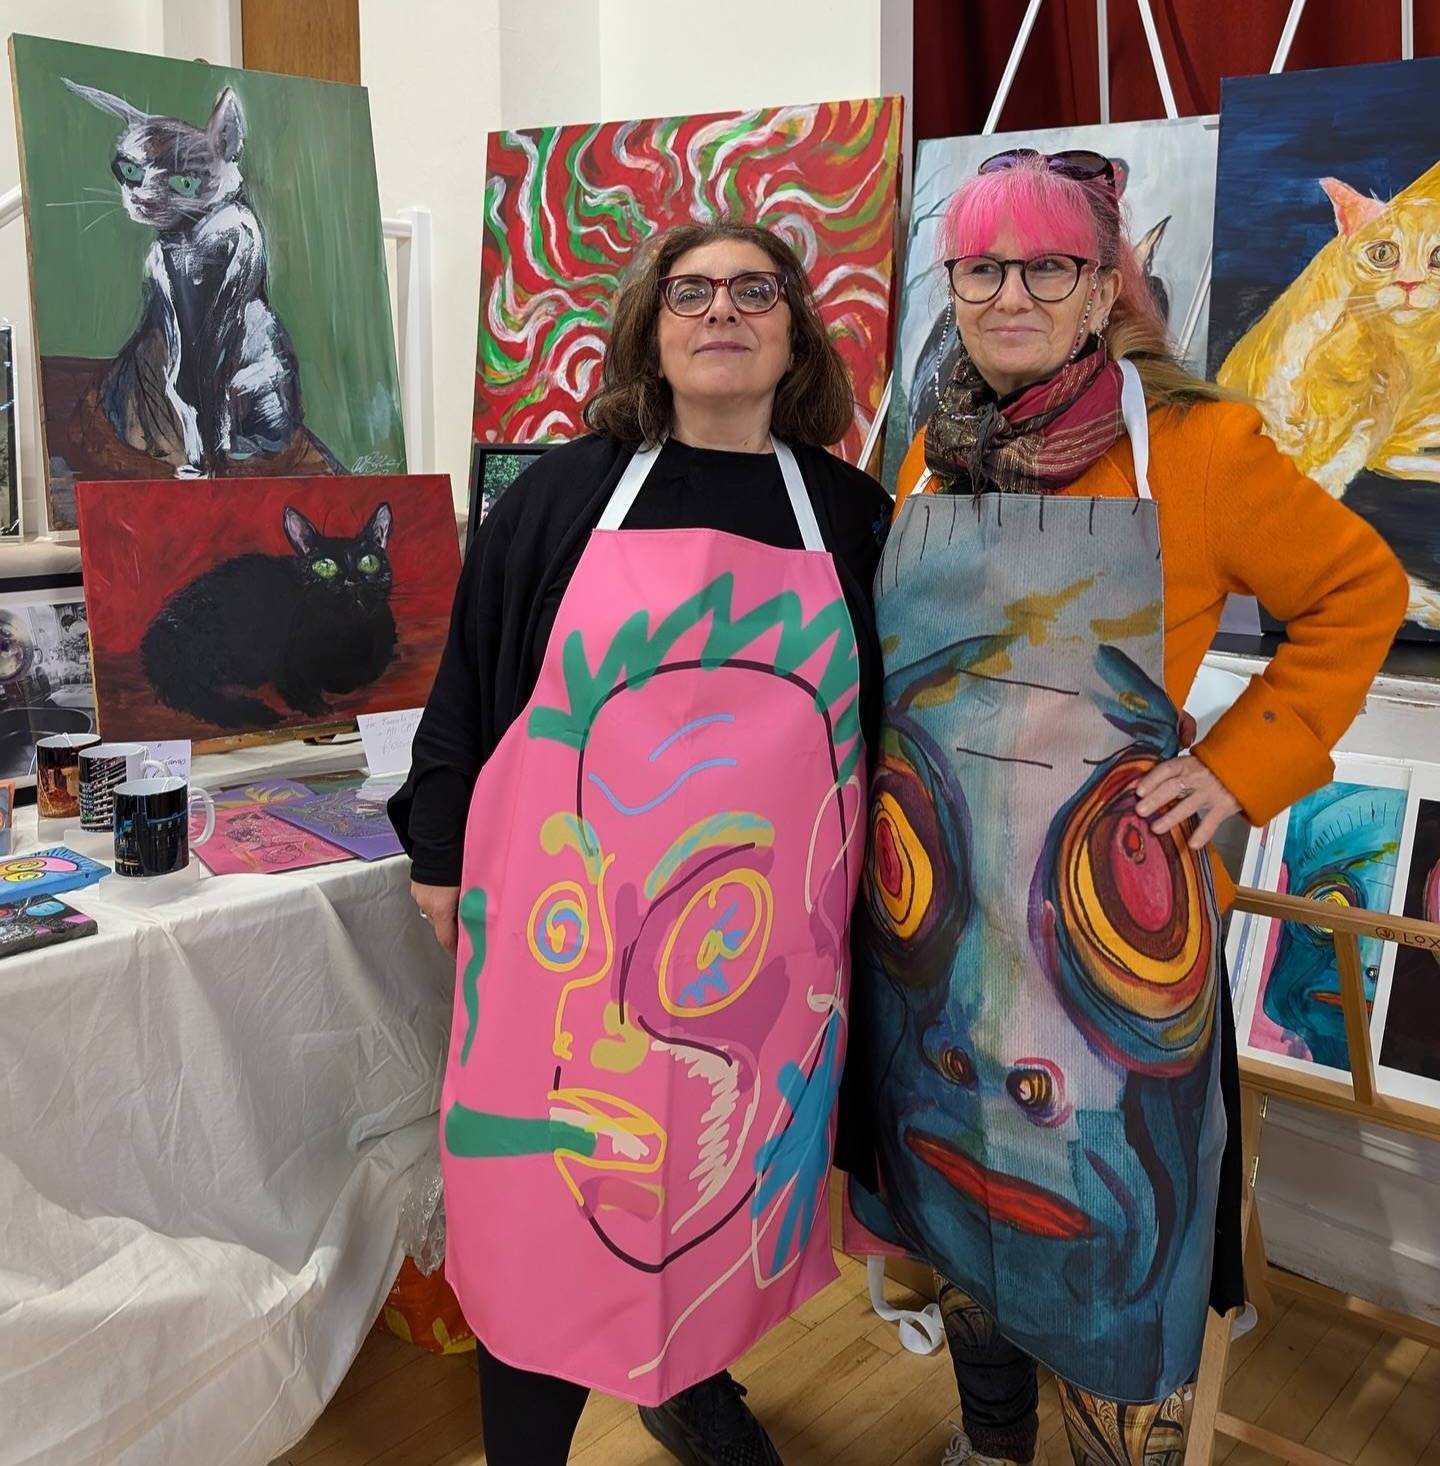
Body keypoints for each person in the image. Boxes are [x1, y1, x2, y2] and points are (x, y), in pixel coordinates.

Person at [843, 149, 1408, 1466]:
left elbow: (1360, 593)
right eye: (984, 267)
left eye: (1050, 267)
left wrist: (1239, 765)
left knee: (1112, 1230)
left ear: (1104, 291)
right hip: (938, 928)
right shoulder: (931, 451)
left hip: (1108, 938)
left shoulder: (1198, 447)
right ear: (952, 284)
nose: (1013, 294)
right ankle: (994, 1442)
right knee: (962, 1202)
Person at [390, 220, 891, 1466]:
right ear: (650, 330)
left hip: (764, 968)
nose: (722, 311)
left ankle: (689, 1382)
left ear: (795, 335)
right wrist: (439, 855)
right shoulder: (564, 494)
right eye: (691, 291)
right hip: (562, 951)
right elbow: (467, 681)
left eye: (754, 290)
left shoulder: (850, 512)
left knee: (714, 1199)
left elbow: (892, 722)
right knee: (544, 1215)